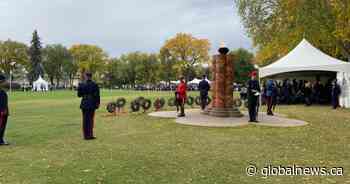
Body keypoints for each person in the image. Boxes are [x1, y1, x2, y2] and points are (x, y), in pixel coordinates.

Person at [77, 72, 100, 140]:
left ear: (86, 76)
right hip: (91, 103)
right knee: (90, 119)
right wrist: (97, 103)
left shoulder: (82, 84)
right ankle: (90, 135)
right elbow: (97, 96)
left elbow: (79, 95)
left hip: (84, 103)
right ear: (91, 77)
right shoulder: (95, 84)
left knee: (85, 120)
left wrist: (79, 88)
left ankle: (85, 135)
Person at [0, 74, 9, 146]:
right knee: (1, 126)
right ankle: (0, 141)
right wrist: (3, 111)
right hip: (2, 112)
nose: (4, 82)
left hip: (3, 111)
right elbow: (3, 103)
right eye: (3, 81)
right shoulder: (2, 92)